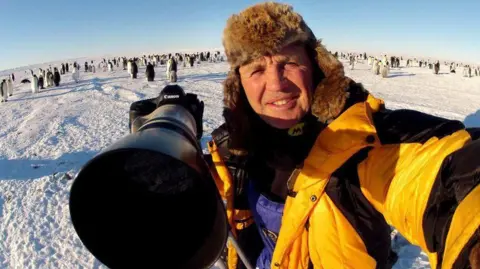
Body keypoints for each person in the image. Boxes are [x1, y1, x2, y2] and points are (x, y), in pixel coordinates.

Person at [202, 2, 479, 269]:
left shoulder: (360, 141)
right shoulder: (233, 151)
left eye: (288, 63)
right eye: (257, 70)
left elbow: (438, 174)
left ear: (315, 67)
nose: (276, 83)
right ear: (239, 85)